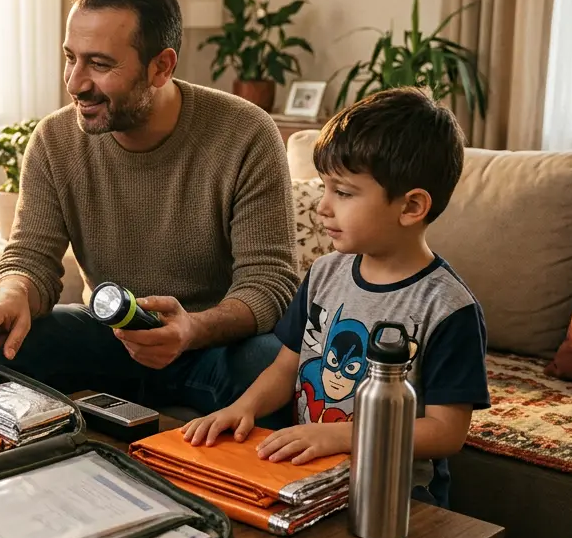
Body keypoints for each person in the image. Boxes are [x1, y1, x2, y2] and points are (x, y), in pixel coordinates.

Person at [0, 0, 298, 418]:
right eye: (71, 57)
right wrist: (8, 292)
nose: (75, 82)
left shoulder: (246, 132)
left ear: (161, 67)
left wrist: (191, 330)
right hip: (107, 334)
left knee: (279, 367)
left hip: (213, 344)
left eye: (99, 65)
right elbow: (30, 259)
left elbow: (270, 283)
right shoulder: (53, 140)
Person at [183, 87, 490, 509]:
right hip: (312, 481)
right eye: (324, 188)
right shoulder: (324, 274)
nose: (323, 207)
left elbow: (446, 432)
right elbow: (286, 366)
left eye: (343, 193)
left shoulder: (449, 309)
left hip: (398, 499)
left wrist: (338, 436)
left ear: (411, 206)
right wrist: (243, 408)